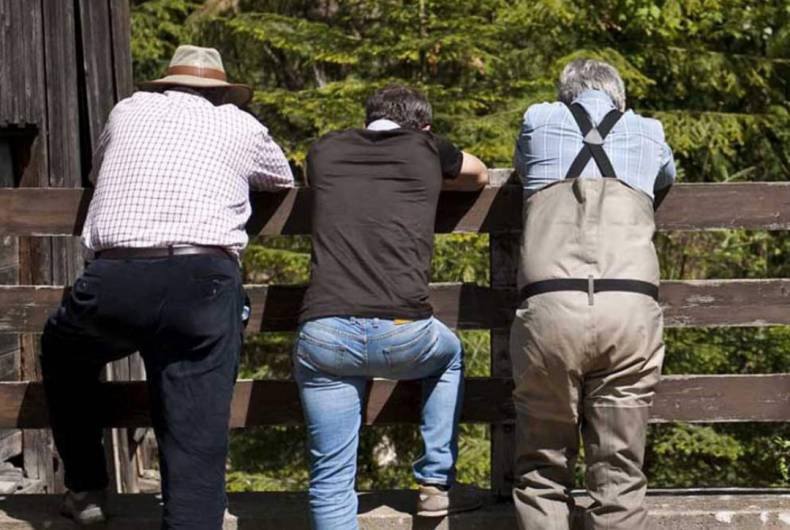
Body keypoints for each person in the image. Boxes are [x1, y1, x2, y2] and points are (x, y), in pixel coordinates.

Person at [40, 45, 294, 528]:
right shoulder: (239, 124)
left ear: (164, 83)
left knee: (63, 351)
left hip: (115, 278)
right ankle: (192, 518)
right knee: (196, 424)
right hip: (201, 281)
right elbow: (280, 179)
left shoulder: (126, 111)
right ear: (221, 91)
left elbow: (98, 174)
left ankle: (87, 486)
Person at [293, 85, 489, 529]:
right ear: (424, 126)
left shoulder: (323, 149)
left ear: (369, 118)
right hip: (404, 331)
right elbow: (477, 175)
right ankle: (436, 484)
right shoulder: (426, 147)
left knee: (330, 481)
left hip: (325, 334)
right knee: (451, 355)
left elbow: (314, 182)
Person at [510, 58, 676, 530]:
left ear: (565, 94)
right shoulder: (649, 130)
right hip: (629, 309)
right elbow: (667, 176)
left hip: (549, 311)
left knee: (542, 469)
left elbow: (524, 169)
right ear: (620, 97)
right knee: (620, 472)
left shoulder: (538, 119)